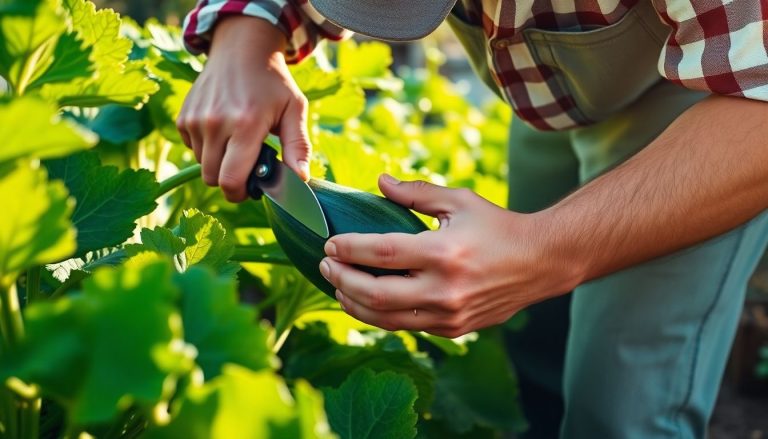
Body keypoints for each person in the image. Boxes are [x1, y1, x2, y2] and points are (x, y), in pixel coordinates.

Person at [179, 1, 768, 437]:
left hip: (717, 106)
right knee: (536, 343)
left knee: (619, 408)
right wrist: (245, 37)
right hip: (549, 89)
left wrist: (546, 251)